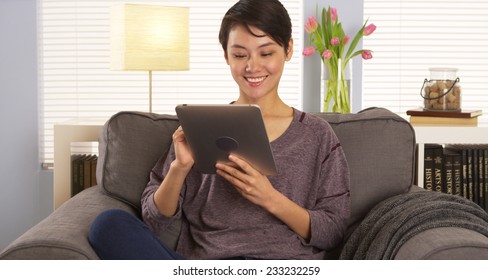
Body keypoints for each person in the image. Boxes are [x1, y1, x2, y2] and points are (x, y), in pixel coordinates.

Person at [89, 0, 350, 260]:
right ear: (226, 55)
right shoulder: (199, 127)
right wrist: (179, 168)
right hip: (209, 268)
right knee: (108, 225)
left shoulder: (317, 135)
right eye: (239, 55)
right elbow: (155, 220)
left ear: (288, 49)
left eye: (266, 53)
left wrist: (270, 198)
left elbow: (333, 230)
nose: (252, 66)